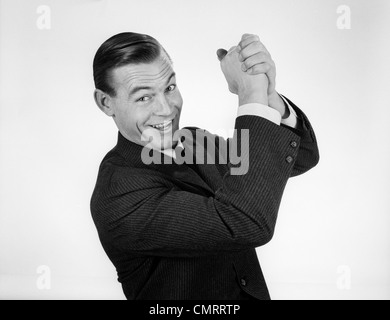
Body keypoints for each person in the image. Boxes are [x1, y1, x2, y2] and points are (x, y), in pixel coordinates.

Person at [90, 32, 319, 300]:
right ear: (106, 102)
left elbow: (300, 156)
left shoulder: (195, 140)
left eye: (170, 88)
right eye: (144, 98)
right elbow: (245, 223)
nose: (166, 109)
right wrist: (250, 94)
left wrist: (268, 96)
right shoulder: (118, 194)